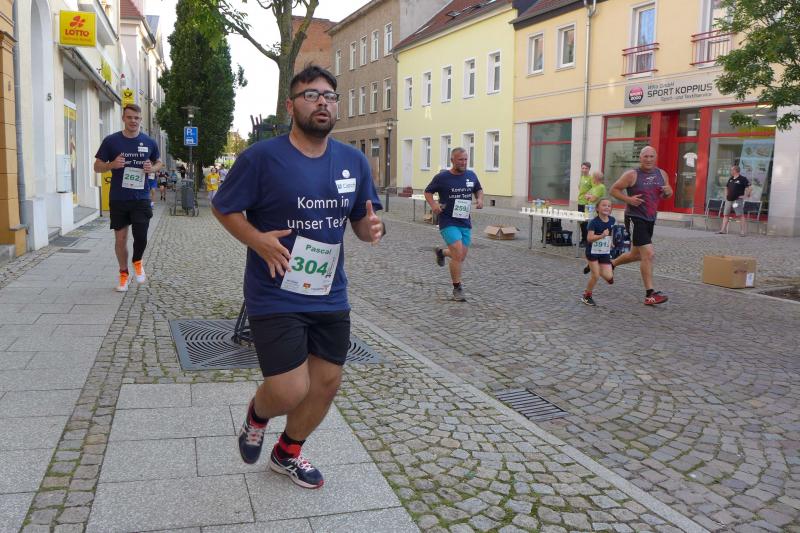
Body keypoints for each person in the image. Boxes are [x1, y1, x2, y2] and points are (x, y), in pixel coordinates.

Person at [212, 65, 384, 489]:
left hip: (329, 292)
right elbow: (223, 207)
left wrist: (371, 229)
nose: (322, 102)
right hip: (275, 291)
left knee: (326, 383)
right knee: (290, 389)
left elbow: (361, 225)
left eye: (329, 96)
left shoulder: (353, 161)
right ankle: (257, 415)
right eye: (311, 95)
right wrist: (257, 240)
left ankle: (287, 452)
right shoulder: (261, 158)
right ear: (291, 106)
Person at [94, 103, 162, 292]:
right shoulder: (111, 141)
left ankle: (137, 260)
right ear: (123, 118)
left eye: (136, 118)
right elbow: (97, 166)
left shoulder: (149, 142)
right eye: (129, 117)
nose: (133, 121)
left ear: (140, 120)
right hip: (119, 198)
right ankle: (123, 274)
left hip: (141, 197)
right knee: (121, 239)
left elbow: (159, 162)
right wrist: (111, 165)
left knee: (141, 237)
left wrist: (152, 168)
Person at [609, 145, 672, 306]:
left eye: (651, 156)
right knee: (648, 254)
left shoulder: (662, 174)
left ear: (655, 157)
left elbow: (666, 194)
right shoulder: (632, 175)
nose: (649, 159)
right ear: (640, 158)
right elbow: (613, 190)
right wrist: (629, 200)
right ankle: (650, 294)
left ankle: (611, 264)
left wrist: (668, 192)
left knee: (635, 255)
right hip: (635, 218)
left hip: (650, 218)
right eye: (646, 156)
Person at [425, 147, 484, 302]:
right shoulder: (442, 177)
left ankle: (442, 252)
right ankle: (457, 288)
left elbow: (478, 189)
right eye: (460, 160)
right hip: (447, 221)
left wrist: (480, 199)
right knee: (457, 251)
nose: (464, 162)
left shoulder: (471, 175)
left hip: (464, 221)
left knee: (460, 256)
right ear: (452, 160)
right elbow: (428, 192)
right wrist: (433, 205)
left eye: (465, 159)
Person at [581, 198, 615, 306]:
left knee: (609, 278)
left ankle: (591, 266)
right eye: (604, 205)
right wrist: (602, 236)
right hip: (592, 252)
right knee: (595, 276)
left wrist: (611, 242)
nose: (607, 207)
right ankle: (587, 296)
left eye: (609, 206)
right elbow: (589, 238)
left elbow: (611, 233)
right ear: (597, 208)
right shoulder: (593, 222)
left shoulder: (612, 220)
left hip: (604, 252)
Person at [718, 165, 751, 236]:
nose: (730, 171)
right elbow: (726, 187)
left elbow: (749, 188)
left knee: (740, 215)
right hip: (729, 200)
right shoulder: (731, 178)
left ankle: (742, 232)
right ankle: (723, 230)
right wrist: (726, 195)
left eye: (731, 170)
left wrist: (745, 196)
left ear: (735, 171)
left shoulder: (743, 179)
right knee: (726, 214)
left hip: (737, 200)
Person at [576, 162, 592, 245]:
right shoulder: (582, 177)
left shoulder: (591, 178)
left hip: (587, 204)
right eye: (583, 168)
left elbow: (594, 189)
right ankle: (583, 239)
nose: (584, 170)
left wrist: (588, 194)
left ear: (589, 169)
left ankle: (586, 240)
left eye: (586, 168)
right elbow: (579, 187)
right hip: (580, 202)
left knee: (586, 222)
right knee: (581, 222)